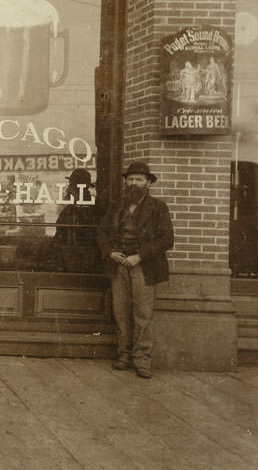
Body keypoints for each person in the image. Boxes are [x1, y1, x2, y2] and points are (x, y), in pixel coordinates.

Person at [97, 161, 174, 379]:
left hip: (144, 267)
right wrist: (110, 252)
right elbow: (101, 233)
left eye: (139, 179)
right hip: (118, 266)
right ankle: (124, 354)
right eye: (130, 179)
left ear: (148, 183)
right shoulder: (117, 206)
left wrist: (139, 256)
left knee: (143, 313)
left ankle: (142, 359)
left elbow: (167, 239)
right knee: (120, 312)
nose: (133, 183)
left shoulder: (158, 207)